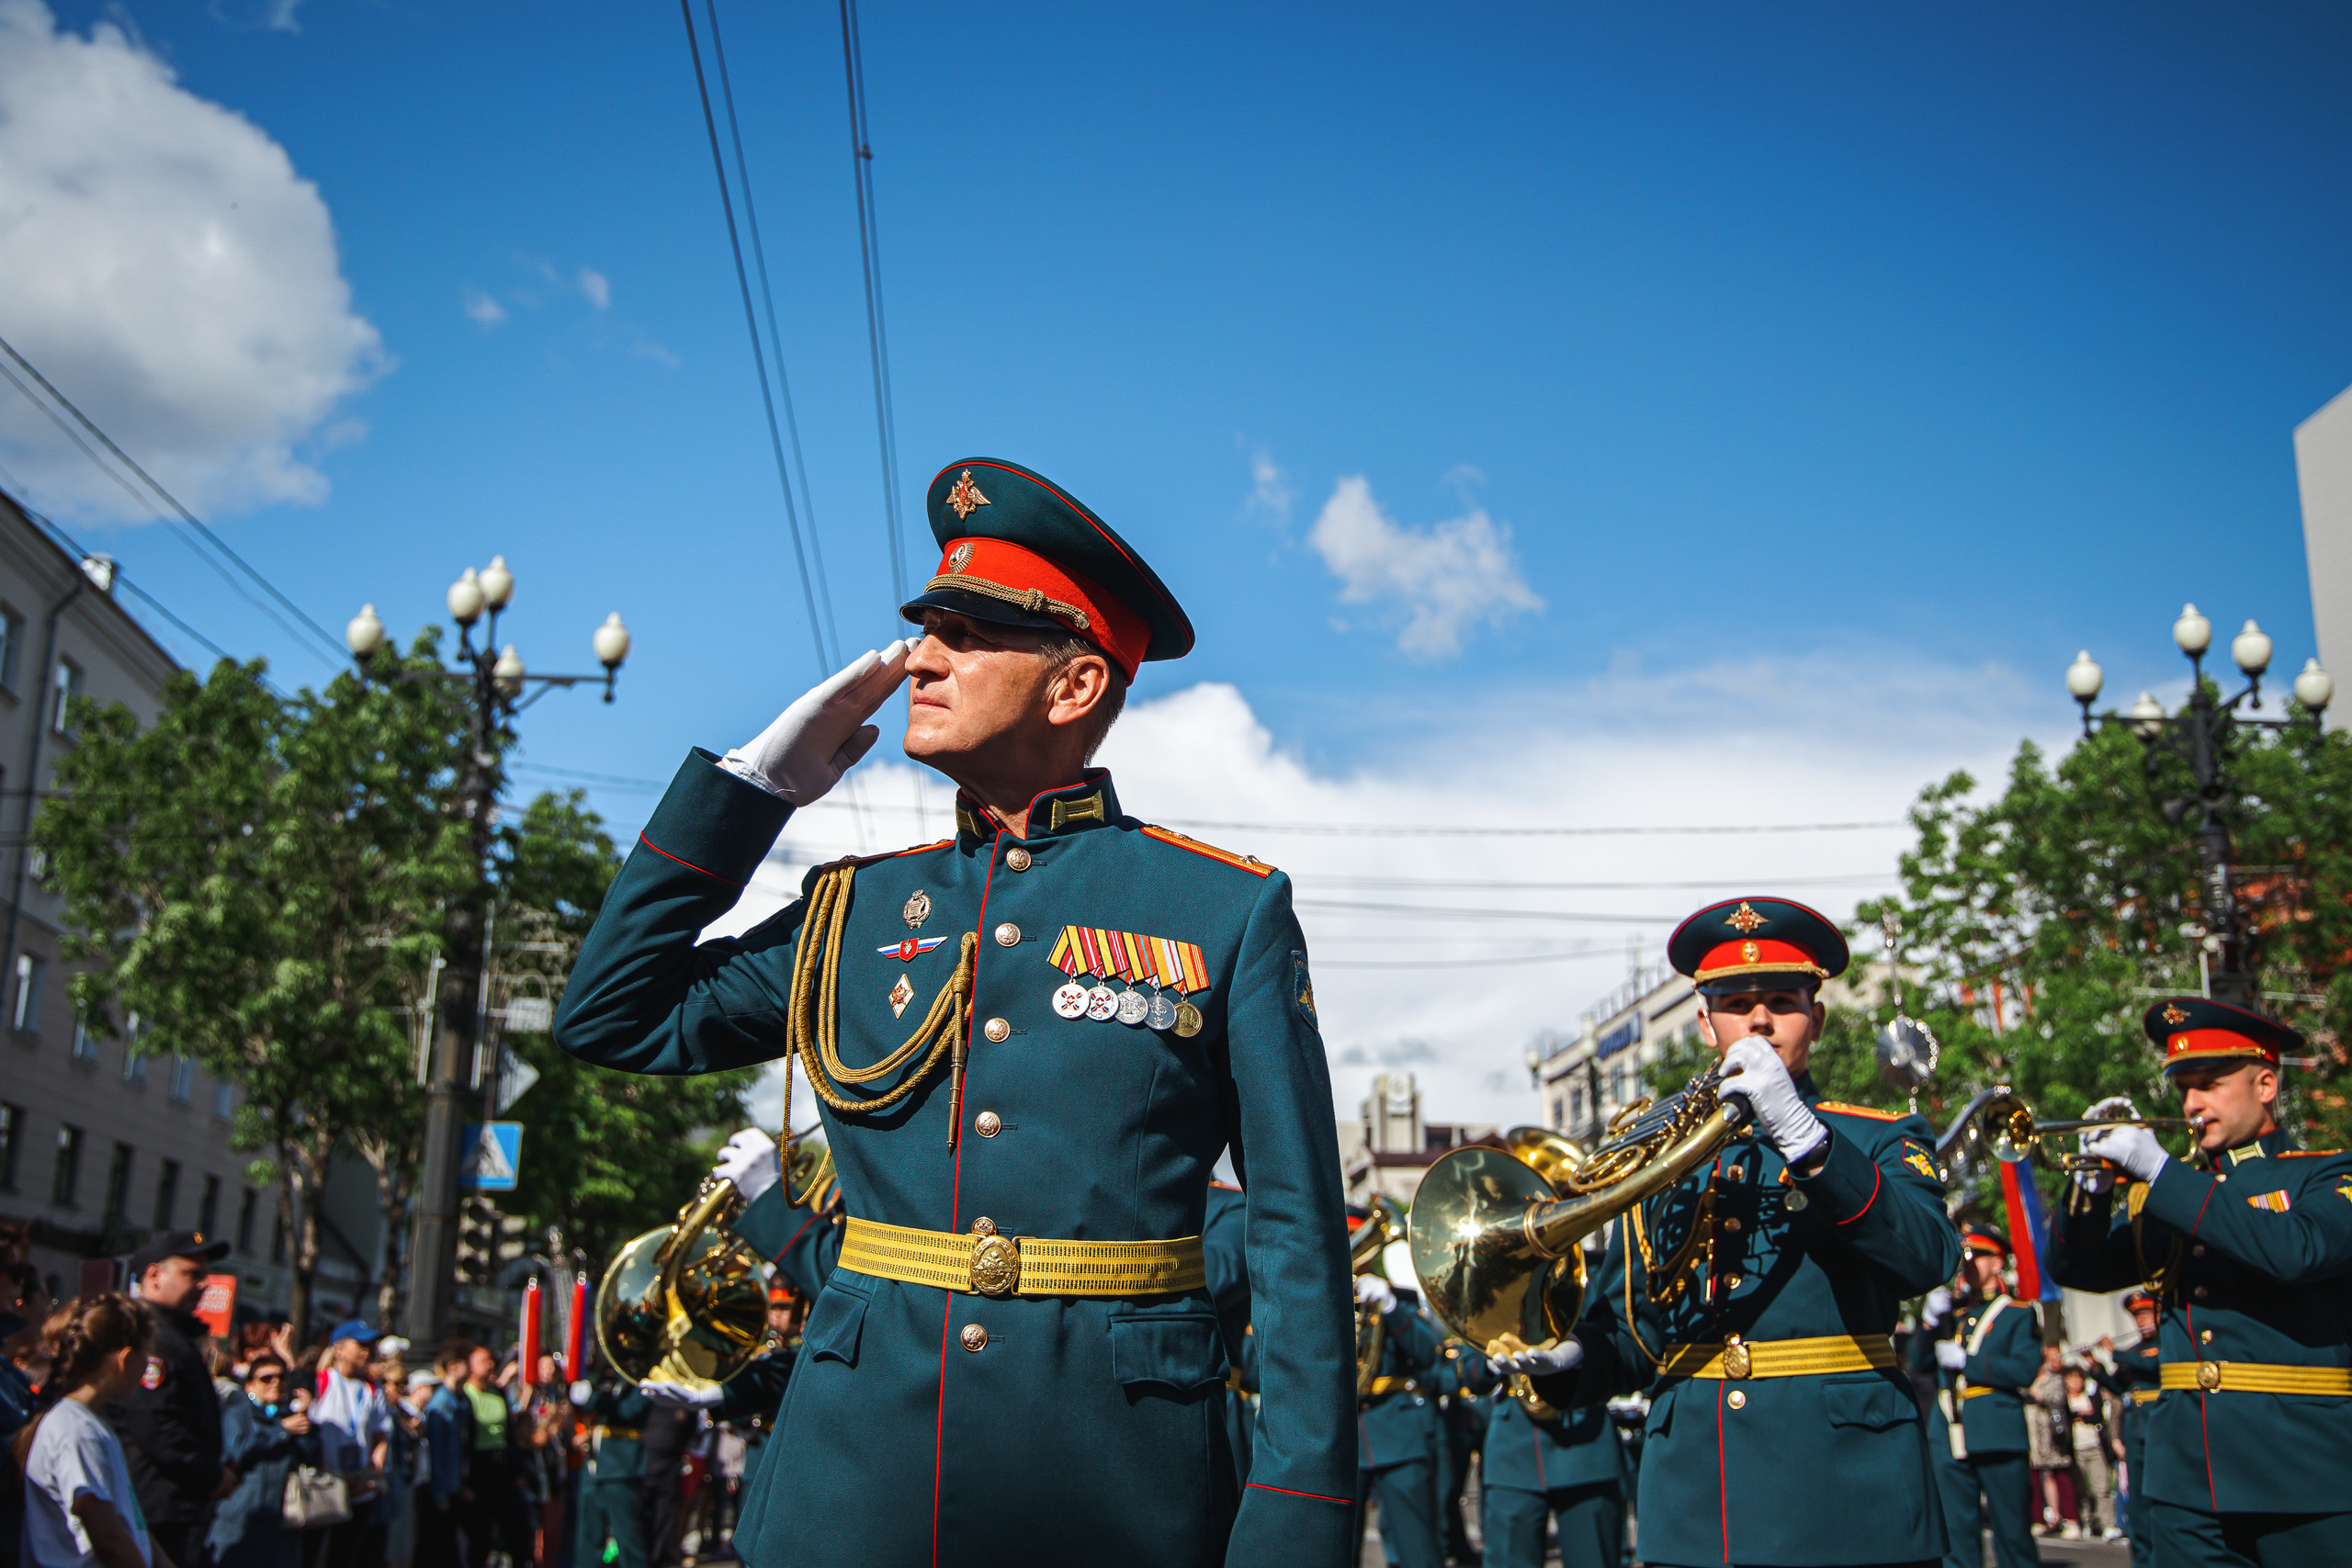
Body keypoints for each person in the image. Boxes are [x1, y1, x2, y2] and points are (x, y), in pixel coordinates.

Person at [553, 457, 1356, 1567]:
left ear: (1074, 686)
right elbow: (611, 1013)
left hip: (1115, 1485)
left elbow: (1295, 1236)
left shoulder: (1220, 910)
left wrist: (1299, 1514)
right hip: (853, 1483)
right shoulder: (855, 912)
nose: (921, 659)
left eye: (967, 635)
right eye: (926, 628)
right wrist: (750, 787)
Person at [1498, 897, 1961, 1568]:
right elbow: (1634, 1331)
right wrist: (1569, 1359)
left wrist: (1804, 1137)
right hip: (1697, 1504)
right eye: (1737, 1004)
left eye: (1782, 1001)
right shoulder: (1656, 1152)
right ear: (1706, 1023)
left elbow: (1927, 1257)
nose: (1760, 1019)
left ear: (1816, 1019)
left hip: (1844, 1494)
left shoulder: (1878, 1137)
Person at [2045, 997, 2352, 1567]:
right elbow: (2078, 1270)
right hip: (2186, 1478)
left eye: (2209, 1085)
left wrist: (2162, 1173)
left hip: (2303, 1473)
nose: (2191, 1104)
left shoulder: (2326, 1173)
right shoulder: (2173, 1195)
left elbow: (2297, 1251)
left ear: (2265, 1085)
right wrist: (2091, 1187)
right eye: (2184, 1088)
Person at [105, 1230, 233, 1568]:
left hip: (178, 1505)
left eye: (205, 1275)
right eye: (192, 1274)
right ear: (154, 1275)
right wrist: (211, 1476)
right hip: (157, 1505)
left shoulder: (173, 1334)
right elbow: (156, 1426)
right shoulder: (149, 1336)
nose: (204, 1285)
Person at [19, 1293, 167, 1568]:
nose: (147, 1366)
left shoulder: (89, 1424)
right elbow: (106, 1535)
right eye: (146, 1355)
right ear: (125, 1358)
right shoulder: (77, 1430)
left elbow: (128, 1521)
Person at [1469, 1314, 1625, 1568]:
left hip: (1587, 1444)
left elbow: (1615, 1336)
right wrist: (1490, 1362)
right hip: (1513, 1452)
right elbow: (1469, 1374)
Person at [1351, 1255, 1442, 1568]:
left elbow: (1427, 1352)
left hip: (1396, 1430)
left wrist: (1390, 1306)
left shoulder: (1398, 1298)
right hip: (1346, 1433)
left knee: (1416, 1548)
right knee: (1336, 1547)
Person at [205, 1353, 319, 1568]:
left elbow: (312, 1456)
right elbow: (236, 1451)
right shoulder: (237, 1414)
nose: (275, 1383)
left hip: (280, 1524)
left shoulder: (290, 1415)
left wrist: (304, 1420)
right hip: (240, 1518)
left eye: (281, 1377)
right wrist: (281, 1431)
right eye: (266, 1378)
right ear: (249, 1385)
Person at [2084, 1290, 2162, 1566]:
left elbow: (2152, 1364)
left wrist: (2113, 1352)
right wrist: (2095, 1367)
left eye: (2147, 1315)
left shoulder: (2165, 1344)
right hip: (2136, 1427)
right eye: (2138, 1317)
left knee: (2160, 1495)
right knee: (2138, 1500)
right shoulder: (2131, 1352)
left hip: (2159, 1424)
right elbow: (2118, 1386)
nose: (2142, 1322)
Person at [311, 1320, 393, 1568]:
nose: (366, 1352)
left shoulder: (372, 1390)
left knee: (347, 1557)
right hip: (325, 1486)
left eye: (370, 1346)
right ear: (339, 1350)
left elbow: (380, 1435)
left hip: (360, 1488)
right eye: (360, 1345)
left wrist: (372, 1473)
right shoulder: (321, 1381)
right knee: (315, 1554)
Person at [460, 1346, 531, 1568]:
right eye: (484, 1361)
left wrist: (518, 1470)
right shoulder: (465, 1396)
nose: (490, 1365)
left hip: (502, 1465)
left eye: (491, 1360)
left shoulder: (498, 1392)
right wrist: (464, 1481)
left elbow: (509, 1432)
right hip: (479, 1467)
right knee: (480, 1530)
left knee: (517, 1525)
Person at [570, 1378, 651, 1568]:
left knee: (628, 1538)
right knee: (588, 1536)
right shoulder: (608, 1379)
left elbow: (628, 1410)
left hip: (621, 1467)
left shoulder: (641, 1381)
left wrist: (593, 1398)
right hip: (596, 1464)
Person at [416, 1348, 473, 1566]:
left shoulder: (460, 1400)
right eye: (467, 1362)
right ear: (452, 1366)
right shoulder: (441, 1404)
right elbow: (436, 1452)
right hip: (442, 1490)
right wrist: (440, 1493)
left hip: (453, 1486)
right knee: (438, 1550)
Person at [2061, 1361, 2116, 1540]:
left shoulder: (2091, 1395)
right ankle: (2086, 1522)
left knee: (2102, 1487)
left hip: (2094, 1446)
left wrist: (2082, 1416)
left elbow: (2097, 1415)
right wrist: (2079, 1414)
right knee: (2080, 1489)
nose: (2075, 1382)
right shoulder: (2064, 1400)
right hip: (2075, 1449)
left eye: (2078, 1378)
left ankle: (2107, 1524)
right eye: (2071, 1378)